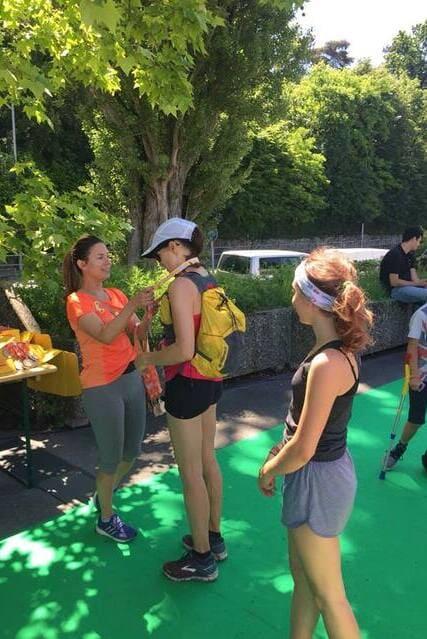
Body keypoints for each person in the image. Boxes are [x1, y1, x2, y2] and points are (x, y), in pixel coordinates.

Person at [258, 248, 373, 639]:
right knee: (304, 579)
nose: (291, 300)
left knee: (330, 595)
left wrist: (270, 468)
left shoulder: (328, 363)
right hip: (317, 474)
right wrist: (279, 451)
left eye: (295, 291)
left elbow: (306, 447)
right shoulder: (333, 350)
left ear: (312, 299)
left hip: (317, 479)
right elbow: (303, 427)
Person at [139, 217, 225, 583]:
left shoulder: (180, 286)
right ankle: (214, 538)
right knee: (207, 460)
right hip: (210, 381)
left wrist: (147, 360)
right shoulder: (208, 277)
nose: (160, 262)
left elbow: (183, 350)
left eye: (160, 255)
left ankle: (202, 559)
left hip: (185, 385)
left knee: (190, 473)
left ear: (175, 247)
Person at [63, 235, 154, 543]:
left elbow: (135, 332)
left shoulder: (115, 294)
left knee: (132, 451)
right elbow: (103, 335)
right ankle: (105, 517)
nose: (108, 260)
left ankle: (104, 497)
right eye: (100, 256)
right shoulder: (77, 301)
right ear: (82, 264)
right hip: (102, 387)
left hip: (130, 379)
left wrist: (149, 315)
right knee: (111, 458)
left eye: (108, 255)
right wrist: (131, 305)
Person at [384, 302, 427, 472]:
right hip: (421, 376)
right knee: (416, 419)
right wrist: (414, 376)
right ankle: (399, 448)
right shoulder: (421, 315)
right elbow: (412, 347)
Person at [379, 226, 427, 303]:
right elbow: (394, 282)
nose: (419, 244)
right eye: (419, 241)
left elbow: (415, 280)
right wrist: (416, 283)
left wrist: (422, 282)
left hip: (409, 287)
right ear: (414, 239)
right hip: (396, 290)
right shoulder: (395, 254)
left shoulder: (410, 255)